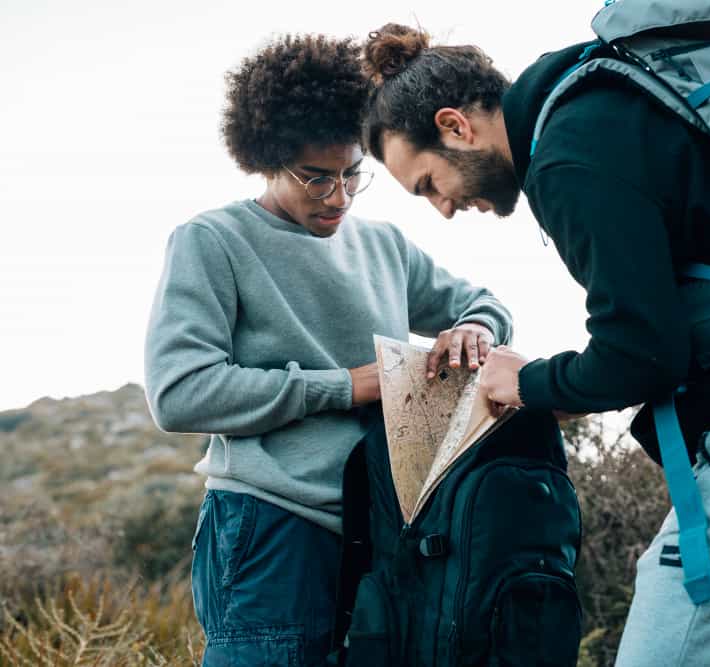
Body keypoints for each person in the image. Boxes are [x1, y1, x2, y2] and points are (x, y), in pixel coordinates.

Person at [361, 23, 710, 666]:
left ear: (454, 126)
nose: (443, 209)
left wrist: (527, 381)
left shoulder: (568, 150)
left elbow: (642, 353)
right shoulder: (608, 107)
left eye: (427, 184)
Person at [143, 34, 511, 666]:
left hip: (387, 535)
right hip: (270, 530)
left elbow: (484, 303)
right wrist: (345, 385)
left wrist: (475, 330)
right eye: (314, 178)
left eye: (350, 175)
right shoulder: (212, 241)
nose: (337, 197)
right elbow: (178, 394)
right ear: (265, 156)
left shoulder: (385, 244)